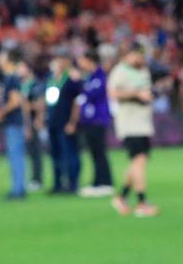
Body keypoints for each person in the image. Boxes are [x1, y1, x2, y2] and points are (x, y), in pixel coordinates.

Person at [108, 44, 158, 216]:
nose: (138, 59)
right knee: (139, 160)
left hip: (143, 122)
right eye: (135, 55)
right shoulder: (120, 71)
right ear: (127, 55)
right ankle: (142, 202)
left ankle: (121, 197)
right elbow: (113, 93)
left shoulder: (144, 71)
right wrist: (136, 94)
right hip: (129, 123)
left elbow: (147, 90)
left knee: (138, 161)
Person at [74, 50, 115, 197]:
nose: (80, 63)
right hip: (89, 121)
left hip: (98, 120)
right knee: (94, 152)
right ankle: (98, 181)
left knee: (99, 151)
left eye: (82, 59)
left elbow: (91, 94)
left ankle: (105, 182)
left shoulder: (99, 76)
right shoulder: (90, 77)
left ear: (89, 59)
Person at [0, 49, 28, 199]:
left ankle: (18, 189)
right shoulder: (8, 78)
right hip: (13, 122)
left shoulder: (11, 78)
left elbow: (15, 101)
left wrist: (0, 113)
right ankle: (18, 187)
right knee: (15, 155)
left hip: (14, 122)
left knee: (15, 156)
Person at [46, 53, 81, 194]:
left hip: (65, 122)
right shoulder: (51, 80)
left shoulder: (72, 80)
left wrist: (72, 122)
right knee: (55, 154)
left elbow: (77, 103)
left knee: (69, 153)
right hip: (53, 122)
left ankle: (72, 183)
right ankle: (58, 183)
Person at [20, 59, 45, 191]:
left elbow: (40, 103)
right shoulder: (22, 84)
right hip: (25, 122)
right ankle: (33, 178)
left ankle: (37, 179)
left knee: (35, 151)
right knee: (30, 152)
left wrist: (39, 118)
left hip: (33, 122)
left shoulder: (35, 84)